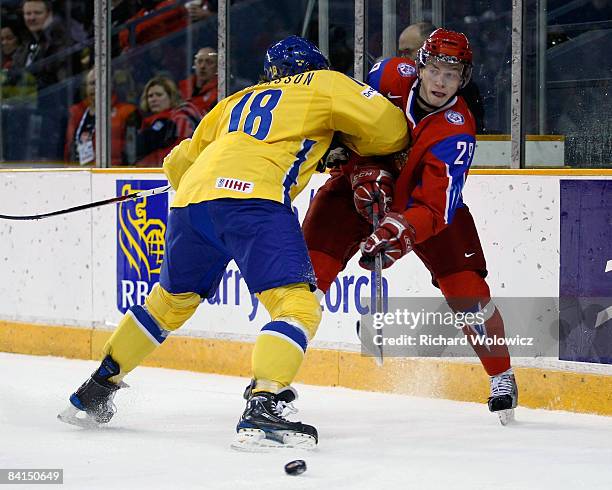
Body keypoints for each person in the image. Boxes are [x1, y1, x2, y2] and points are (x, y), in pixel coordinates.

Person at [58, 36, 409, 449]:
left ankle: (96, 391)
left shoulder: (234, 100)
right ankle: (263, 407)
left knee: (168, 303)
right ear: (316, 66)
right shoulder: (326, 84)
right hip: (253, 199)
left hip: (191, 203)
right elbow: (391, 132)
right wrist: (344, 143)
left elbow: (178, 162)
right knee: (297, 305)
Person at [302, 28, 518, 421]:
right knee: (308, 275)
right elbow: (343, 116)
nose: (441, 82)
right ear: (420, 66)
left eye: (452, 75)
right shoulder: (385, 75)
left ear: (463, 79)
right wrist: (342, 156)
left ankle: (501, 374)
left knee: (466, 288)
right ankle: (273, 379)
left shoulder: (458, 131)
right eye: (435, 70)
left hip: (419, 206)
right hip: (357, 188)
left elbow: (435, 206)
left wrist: (396, 230)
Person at [398, 22, 485, 132]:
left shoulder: (464, 93)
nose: (402, 59)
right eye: (400, 53)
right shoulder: (395, 80)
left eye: (407, 52)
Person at [64, 68, 139, 166]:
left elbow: (132, 153)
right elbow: (69, 148)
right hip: (79, 172)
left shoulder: (126, 112)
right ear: (85, 88)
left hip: (112, 173)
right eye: (92, 83)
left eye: (101, 82)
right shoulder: (76, 113)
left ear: (111, 85)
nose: (96, 87)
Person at [135, 75, 200, 166]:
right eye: (150, 96)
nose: (153, 99)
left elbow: (179, 150)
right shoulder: (147, 122)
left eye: (159, 95)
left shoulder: (180, 119)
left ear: (171, 96)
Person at [11, 0, 75, 90]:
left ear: (49, 15)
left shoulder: (61, 43)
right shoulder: (27, 44)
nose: (32, 18)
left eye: (37, 13)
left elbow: (63, 84)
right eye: (28, 14)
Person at [178, 47, 218, 116]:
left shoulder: (221, 91)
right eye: (199, 61)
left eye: (209, 62)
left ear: (217, 67)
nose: (202, 66)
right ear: (195, 65)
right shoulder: (182, 87)